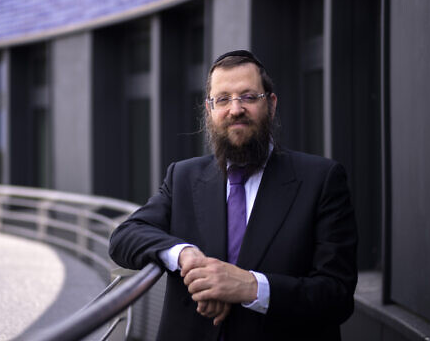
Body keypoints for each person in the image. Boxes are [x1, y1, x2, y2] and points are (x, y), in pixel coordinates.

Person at [109, 50, 358, 341]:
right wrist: (186, 256)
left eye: (249, 97)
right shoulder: (183, 177)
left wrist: (251, 287)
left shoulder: (321, 179)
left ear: (272, 104)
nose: (235, 108)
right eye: (223, 99)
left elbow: (337, 296)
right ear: (209, 110)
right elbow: (125, 237)